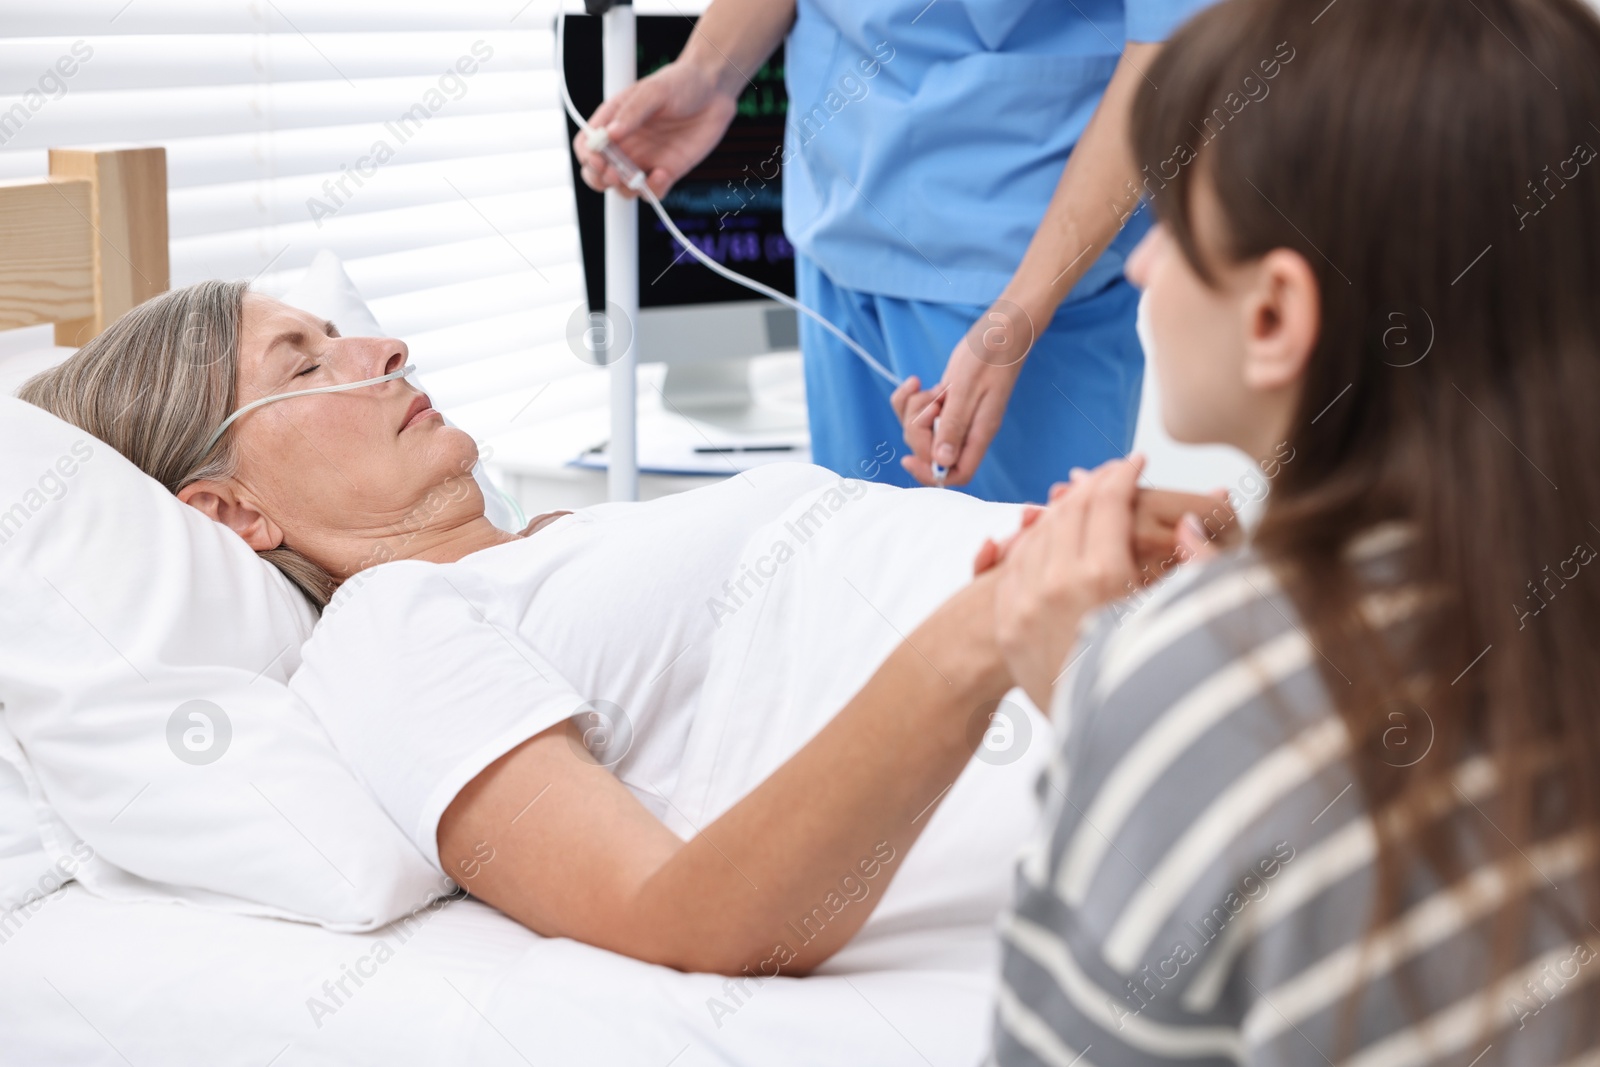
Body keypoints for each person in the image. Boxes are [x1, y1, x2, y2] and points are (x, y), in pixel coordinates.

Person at [19, 283, 1229, 978]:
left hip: (1221, 658)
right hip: (1201, 786)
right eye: (307, 361)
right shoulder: (391, 631)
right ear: (229, 512)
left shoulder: (558, 545)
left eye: (347, 331)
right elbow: (678, 918)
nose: (384, 348)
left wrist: (1131, 563)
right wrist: (981, 634)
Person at [980, 0, 1600, 1059]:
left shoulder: (1174, 678)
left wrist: (1116, 706)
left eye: (1169, 224)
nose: (1137, 268)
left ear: (1272, 316)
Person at [574, 0, 1218, 503]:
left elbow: (1170, 55)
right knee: (866, 592)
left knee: (1016, 618)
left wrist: (1020, 309)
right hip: (838, 235)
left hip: (1012, 262)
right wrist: (707, 72)